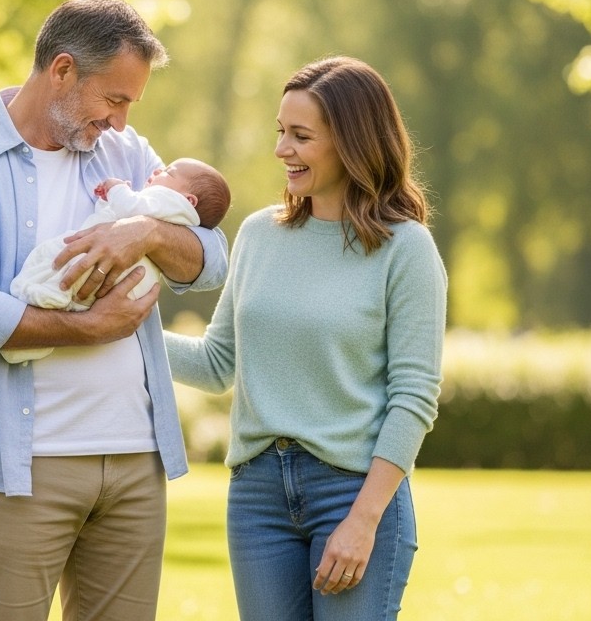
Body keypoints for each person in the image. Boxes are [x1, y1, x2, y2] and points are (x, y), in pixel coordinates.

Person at [0, 0, 229, 621]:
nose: (119, 121)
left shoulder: (128, 155)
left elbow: (208, 260)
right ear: (61, 70)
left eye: (130, 105)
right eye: (113, 100)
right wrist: (89, 328)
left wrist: (145, 234)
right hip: (20, 466)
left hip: (136, 459)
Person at [165, 56, 447, 620]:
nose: (281, 150)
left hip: (352, 492)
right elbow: (221, 363)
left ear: (352, 143)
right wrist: (127, 328)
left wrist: (363, 520)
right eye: (280, 132)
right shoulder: (258, 235)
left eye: (300, 136)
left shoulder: (405, 249)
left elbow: (413, 397)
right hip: (258, 496)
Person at [1, 157, 231, 363]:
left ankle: (47, 297)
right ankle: (43, 312)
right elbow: (114, 214)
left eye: (167, 172)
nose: (158, 171)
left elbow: (130, 208)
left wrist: (116, 188)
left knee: (67, 264)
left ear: (189, 200)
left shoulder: (167, 201)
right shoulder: (173, 210)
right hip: (126, 281)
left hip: (116, 268)